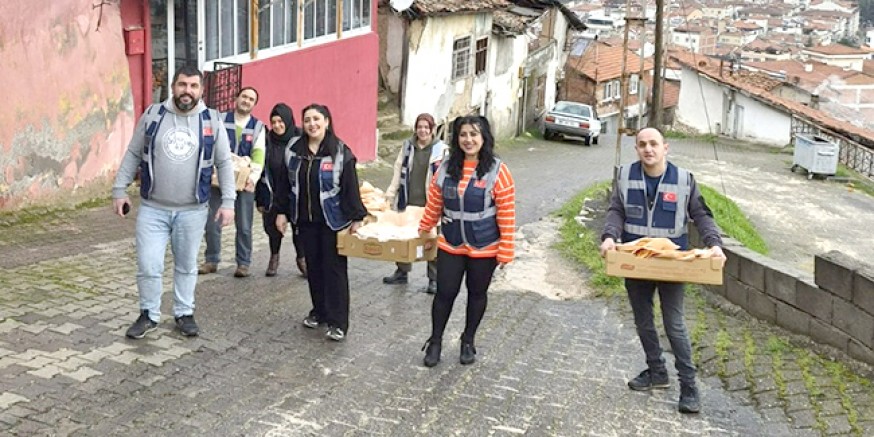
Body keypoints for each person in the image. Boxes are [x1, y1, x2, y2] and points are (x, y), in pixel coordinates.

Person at [599, 127, 726, 414]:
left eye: (653, 144)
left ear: (665, 148)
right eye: (642, 144)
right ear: (637, 149)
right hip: (636, 260)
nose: (648, 149)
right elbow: (616, 210)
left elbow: (702, 215)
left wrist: (714, 245)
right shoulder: (625, 176)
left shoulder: (684, 180)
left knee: (675, 325)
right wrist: (608, 236)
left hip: (672, 264)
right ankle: (657, 371)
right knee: (643, 321)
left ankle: (689, 386)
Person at [112, 65, 236, 339]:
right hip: (153, 208)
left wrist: (229, 202)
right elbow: (133, 153)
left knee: (186, 264)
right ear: (173, 87)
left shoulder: (212, 121)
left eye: (193, 86)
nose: (187, 91)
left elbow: (225, 164)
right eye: (182, 85)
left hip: (192, 210)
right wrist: (119, 190)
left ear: (201, 90)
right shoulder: (154, 115)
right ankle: (149, 314)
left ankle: (183, 312)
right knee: (148, 264)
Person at [418, 115, 516, 367]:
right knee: (444, 293)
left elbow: (506, 212)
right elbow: (434, 203)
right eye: (463, 135)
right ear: (456, 138)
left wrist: (506, 248)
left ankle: (468, 340)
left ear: (484, 138)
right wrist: (423, 229)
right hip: (451, 243)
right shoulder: (446, 167)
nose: (468, 140)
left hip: (484, 246)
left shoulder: (498, 170)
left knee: (477, 294)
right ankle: (436, 341)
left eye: (474, 134)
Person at [275, 104, 368, 342]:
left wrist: (357, 216)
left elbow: (350, 187)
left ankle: (338, 322)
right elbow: (285, 184)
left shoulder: (340, 151)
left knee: (334, 271)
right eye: (307, 120)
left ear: (327, 121)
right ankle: (320, 312)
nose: (312, 124)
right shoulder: (294, 149)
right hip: (305, 221)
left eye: (317, 119)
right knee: (314, 269)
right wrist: (282, 212)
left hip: (333, 221)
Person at [199, 87, 266, 278]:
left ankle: (243, 263)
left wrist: (253, 179)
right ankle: (211, 260)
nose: (246, 101)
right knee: (212, 222)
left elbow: (259, 155)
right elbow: (209, 144)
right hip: (218, 180)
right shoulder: (220, 119)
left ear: (254, 104)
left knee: (244, 225)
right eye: (244, 96)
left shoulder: (258, 127)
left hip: (244, 182)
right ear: (237, 98)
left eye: (251, 99)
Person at [383, 113, 447, 293]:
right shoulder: (407, 147)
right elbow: (398, 170)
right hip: (408, 199)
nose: (423, 130)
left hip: (431, 204)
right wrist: (390, 194)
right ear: (415, 129)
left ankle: (433, 279)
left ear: (432, 129)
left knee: (432, 240)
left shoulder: (441, 150)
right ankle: (402, 272)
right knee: (404, 238)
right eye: (420, 127)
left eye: (426, 127)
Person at [255, 103, 306, 277]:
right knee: (272, 229)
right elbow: (260, 168)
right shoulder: (267, 140)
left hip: (295, 194)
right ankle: (274, 257)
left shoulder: (300, 138)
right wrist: (260, 198)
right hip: (273, 192)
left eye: (280, 121)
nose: (277, 126)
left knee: (299, 228)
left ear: (288, 120)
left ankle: (302, 259)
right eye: (273, 122)